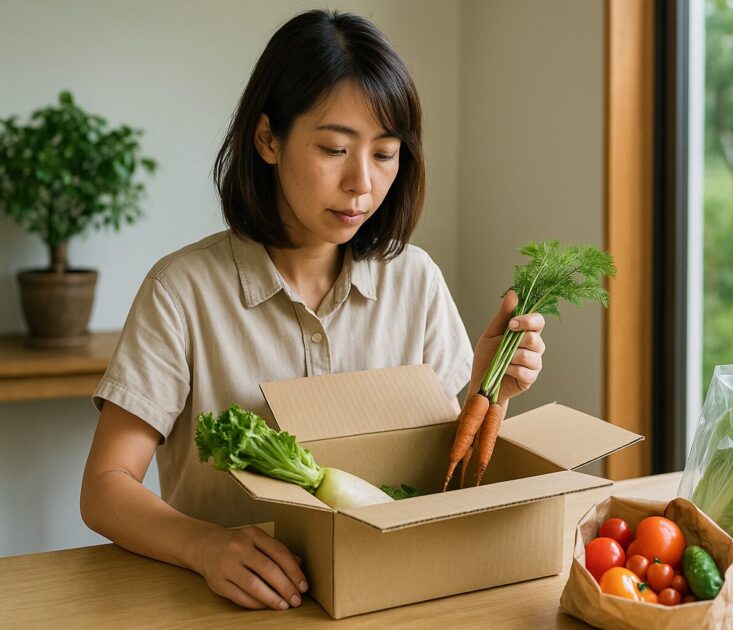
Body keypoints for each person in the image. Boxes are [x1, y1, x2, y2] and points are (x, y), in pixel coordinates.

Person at [79, 9, 546, 612]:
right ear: (268, 139)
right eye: (334, 148)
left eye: (385, 153)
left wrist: (489, 389)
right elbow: (105, 488)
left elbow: (439, 481)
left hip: (386, 598)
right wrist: (205, 547)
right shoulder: (181, 291)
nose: (361, 183)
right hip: (231, 608)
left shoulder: (416, 281)